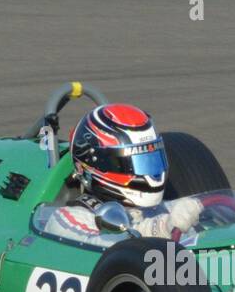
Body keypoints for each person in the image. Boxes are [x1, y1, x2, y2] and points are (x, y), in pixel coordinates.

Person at [42, 103, 202, 244]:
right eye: (135, 163)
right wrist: (163, 227)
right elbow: (108, 249)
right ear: (97, 165)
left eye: (151, 159)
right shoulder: (66, 220)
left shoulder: (164, 208)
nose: (149, 174)